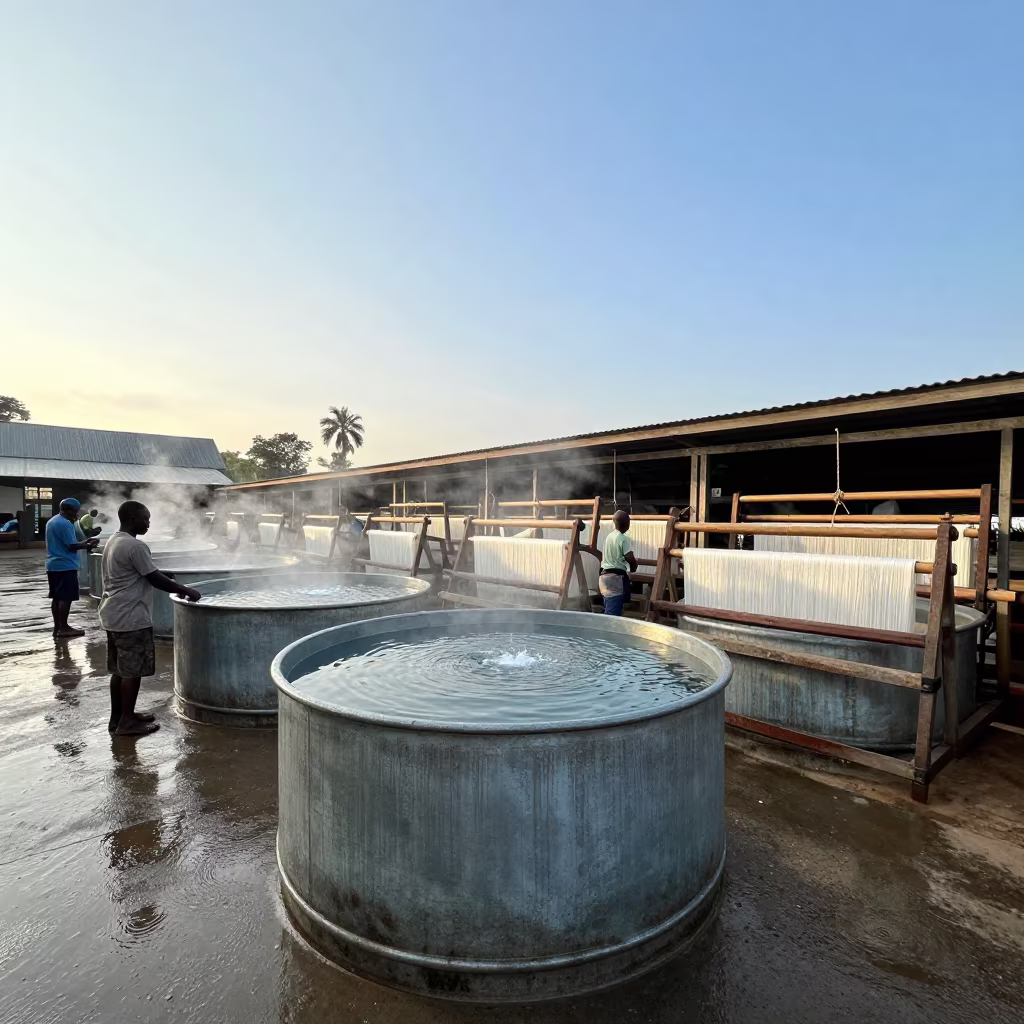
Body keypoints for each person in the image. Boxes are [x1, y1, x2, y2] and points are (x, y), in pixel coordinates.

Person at [98, 500, 202, 737]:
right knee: (132, 672)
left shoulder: (115, 541)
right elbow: (154, 579)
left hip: (113, 614)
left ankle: (121, 716)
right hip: (131, 617)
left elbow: (139, 572)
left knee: (120, 671)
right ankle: (126, 723)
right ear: (133, 518)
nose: (148, 523)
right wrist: (185, 590)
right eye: (146, 519)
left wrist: (160, 574)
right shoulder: (135, 546)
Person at [45, 498, 98, 638]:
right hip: (65, 564)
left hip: (53, 565)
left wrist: (84, 542)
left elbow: (67, 543)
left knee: (57, 598)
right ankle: (64, 628)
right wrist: (87, 545)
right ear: (68, 510)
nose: (76, 514)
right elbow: (71, 546)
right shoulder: (65, 524)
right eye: (75, 511)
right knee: (65, 598)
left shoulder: (53, 521)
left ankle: (58, 628)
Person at [599, 510, 638, 616]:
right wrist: (634, 566)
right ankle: (608, 630)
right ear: (627, 524)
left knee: (609, 604)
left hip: (604, 577)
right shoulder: (623, 539)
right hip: (615, 579)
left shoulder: (609, 537)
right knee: (612, 614)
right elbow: (629, 557)